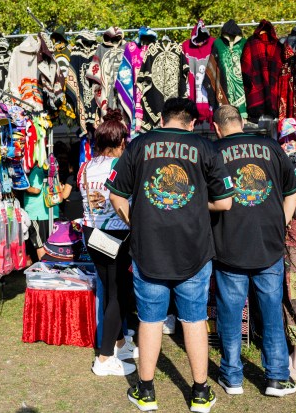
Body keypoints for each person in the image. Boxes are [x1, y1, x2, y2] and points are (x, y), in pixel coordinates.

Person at [107, 97, 234, 413]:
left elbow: (116, 194)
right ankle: (200, 393)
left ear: (161, 119)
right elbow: (226, 202)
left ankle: (146, 392)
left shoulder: (139, 144)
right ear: (192, 122)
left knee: (149, 319)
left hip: (148, 248)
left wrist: (133, 221)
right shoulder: (206, 148)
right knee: (194, 319)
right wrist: (193, 204)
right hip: (194, 249)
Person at [210, 104, 296, 397]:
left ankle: (232, 377)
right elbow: (295, 187)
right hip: (268, 243)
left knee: (230, 313)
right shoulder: (271, 147)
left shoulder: (212, 152)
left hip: (229, 244)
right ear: (241, 122)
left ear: (216, 127)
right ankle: (276, 378)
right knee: (272, 311)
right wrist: (282, 221)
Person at [81, 109, 138, 377]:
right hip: (116, 235)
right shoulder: (120, 166)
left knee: (112, 290)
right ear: (120, 141)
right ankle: (104, 359)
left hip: (91, 233)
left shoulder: (86, 166)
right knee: (118, 294)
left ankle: (120, 343)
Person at [23, 166, 59, 261]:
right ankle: (49, 267)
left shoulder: (36, 171)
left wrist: (21, 186)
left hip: (37, 213)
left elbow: (35, 190)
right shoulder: (48, 169)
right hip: (49, 212)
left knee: (39, 245)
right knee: (49, 244)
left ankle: (45, 269)